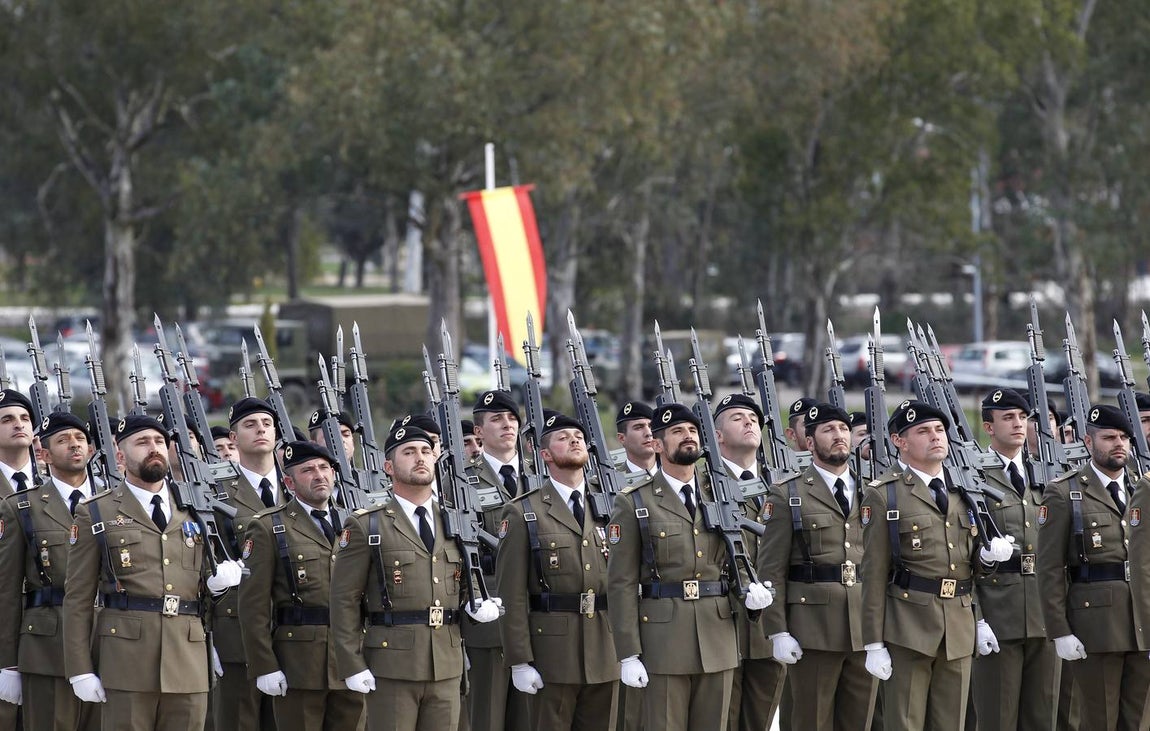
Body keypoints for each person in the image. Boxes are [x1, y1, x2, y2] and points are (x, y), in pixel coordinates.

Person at [63, 414, 244, 730]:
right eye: (142, 442)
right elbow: (78, 597)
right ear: (120, 456)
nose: (154, 448)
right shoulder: (96, 511)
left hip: (188, 659)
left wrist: (218, 585)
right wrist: (79, 669)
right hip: (126, 662)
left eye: (159, 442)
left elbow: (203, 582)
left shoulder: (193, 507)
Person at [606, 403, 773, 731]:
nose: (688, 437)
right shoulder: (635, 501)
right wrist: (627, 652)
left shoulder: (721, 496)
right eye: (677, 432)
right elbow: (621, 583)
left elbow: (735, 559)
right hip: (663, 641)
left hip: (718, 637)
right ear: (657, 444)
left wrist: (749, 596)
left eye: (693, 431)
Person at [330, 424, 501, 730]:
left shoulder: (455, 521)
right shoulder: (367, 525)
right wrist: (351, 664)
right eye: (408, 452)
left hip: (446, 664)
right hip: (392, 665)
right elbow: (344, 600)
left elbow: (463, 580)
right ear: (388, 466)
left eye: (425, 451)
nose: (420, 458)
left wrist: (476, 602)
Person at [859, 400, 1012, 730]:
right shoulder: (886, 495)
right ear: (900, 441)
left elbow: (969, 565)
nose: (935, 437)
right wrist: (873, 643)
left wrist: (986, 561)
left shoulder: (964, 491)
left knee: (951, 724)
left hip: (958, 624)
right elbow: (872, 574)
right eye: (923, 431)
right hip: (908, 625)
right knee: (906, 723)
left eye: (940, 430)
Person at [496, 412, 619, 730]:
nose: (574, 440)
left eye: (578, 437)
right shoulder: (525, 511)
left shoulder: (611, 505)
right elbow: (512, 593)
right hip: (552, 653)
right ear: (545, 455)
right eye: (563, 438)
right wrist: (519, 660)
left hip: (606, 649)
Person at [758, 402, 877, 730]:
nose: (839, 436)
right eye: (828, 430)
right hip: (814, 629)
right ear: (809, 442)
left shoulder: (873, 492)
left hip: (865, 629)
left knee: (859, 722)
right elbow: (771, 569)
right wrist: (778, 630)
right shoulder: (788, 494)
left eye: (842, 429)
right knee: (811, 721)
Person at [1036, 404, 1150, 731]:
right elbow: (1049, 568)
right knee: (1099, 720)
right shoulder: (1064, 492)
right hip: (1095, 624)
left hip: (1141, 622)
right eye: (1109, 437)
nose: (1119, 444)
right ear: (1088, 441)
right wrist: (1059, 630)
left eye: (1125, 437)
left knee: (1139, 720)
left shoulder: (1139, 488)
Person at [238, 440, 365, 731]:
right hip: (299, 662)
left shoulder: (356, 522)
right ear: (289, 482)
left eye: (324, 468)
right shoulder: (269, 527)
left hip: (351, 657)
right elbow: (253, 606)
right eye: (307, 470)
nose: (319, 475)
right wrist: (264, 665)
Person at [0, 413, 99, 731]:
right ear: (43, 454)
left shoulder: (111, 505)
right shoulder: (22, 507)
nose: (74, 445)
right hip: (47, 646)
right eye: (63, 440)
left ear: (92, 450)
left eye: (80, 439)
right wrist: (8, 662)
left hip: (107, 643)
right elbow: (8, 589)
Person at [971, 388, 1059, 731]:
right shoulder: (974, 477)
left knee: (1043, 718)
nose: (1018, 424)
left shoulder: (1047, 475)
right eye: (1008, 417)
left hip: (1044, 613)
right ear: (989, 427)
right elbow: (960, 557)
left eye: (1022, 418)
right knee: (997, 719)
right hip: (998, 612)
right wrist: (977, 618)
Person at [712, 394, 785, 731]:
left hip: (770, 625)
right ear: (717, 436)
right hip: (720, 623)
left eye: (753, 418)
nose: (749, 422)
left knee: (762, 720)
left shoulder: (782, 485)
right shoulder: (701, 487)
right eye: (737, 417)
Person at [212, 397, 283, 731]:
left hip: (294, 632)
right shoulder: (216, 492)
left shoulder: (301, 483)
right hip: (236, 631)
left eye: (267, 424)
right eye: (250, 424)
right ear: (234, 437)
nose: (261, 430)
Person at [464, 389, 531, 731]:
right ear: (478, 432)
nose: (507, 424)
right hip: (491, 613)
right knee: (487, 716)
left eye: (511, 418)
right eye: (496, 419)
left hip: (542, 616)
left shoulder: (542, 475)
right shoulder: (461, 482)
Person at [614, 401, 657, 476]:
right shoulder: (615, 480)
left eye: (651, 426)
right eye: (639, 427)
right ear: (622, 438)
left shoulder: (675, 472)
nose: (649, 433)